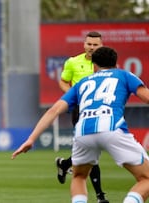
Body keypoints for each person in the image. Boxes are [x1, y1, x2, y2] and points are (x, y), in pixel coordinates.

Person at [12, 46, 149, 203]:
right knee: (146, 179)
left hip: (83, 131)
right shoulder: (124, 75)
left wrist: (31, 139)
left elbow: (54, 110)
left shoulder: (82, 83)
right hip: (112, 129)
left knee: (78, 176)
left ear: (94, 66)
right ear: (116, 64)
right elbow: (146, 97)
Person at [57, 31, 108, 203]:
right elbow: (63, 81)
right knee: (91, 148)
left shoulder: (108, 63)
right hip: (80, 110)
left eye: (96, 45)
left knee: (91, 150)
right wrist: (73, 95)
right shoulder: (73, 62)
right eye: (89, 44)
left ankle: (65, 164)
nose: (92, 48)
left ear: (101, 46)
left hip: (102, 110)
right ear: (84, 44)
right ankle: (100, 196)